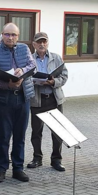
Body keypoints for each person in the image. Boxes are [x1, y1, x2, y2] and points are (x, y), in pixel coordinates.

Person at [0, 23, 36, 183]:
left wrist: (22, 70)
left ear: (18, 36)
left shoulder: (24, 49)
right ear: (2, 35)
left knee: (20, 136)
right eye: (7, 34)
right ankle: (1, 169)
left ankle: (18, 168)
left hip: (23, 97)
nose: (10, 37)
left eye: (14, 35)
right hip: (4, 99)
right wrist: (8, 85)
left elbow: (33, 66)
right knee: (4, 135)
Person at [27, 32, 68, 172]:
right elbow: (25, 77)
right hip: (37, 100)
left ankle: (56, 159)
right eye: (39, 42)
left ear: (48, 43)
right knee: (36, 132)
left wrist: (53, 82)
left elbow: (64, 76)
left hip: (54, 99)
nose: (42, 44)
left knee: (57, 132)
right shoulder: (29, 59)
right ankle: (37, 158)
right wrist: (34, 81)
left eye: (44, 42)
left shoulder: (56, 58)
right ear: (34, 44)